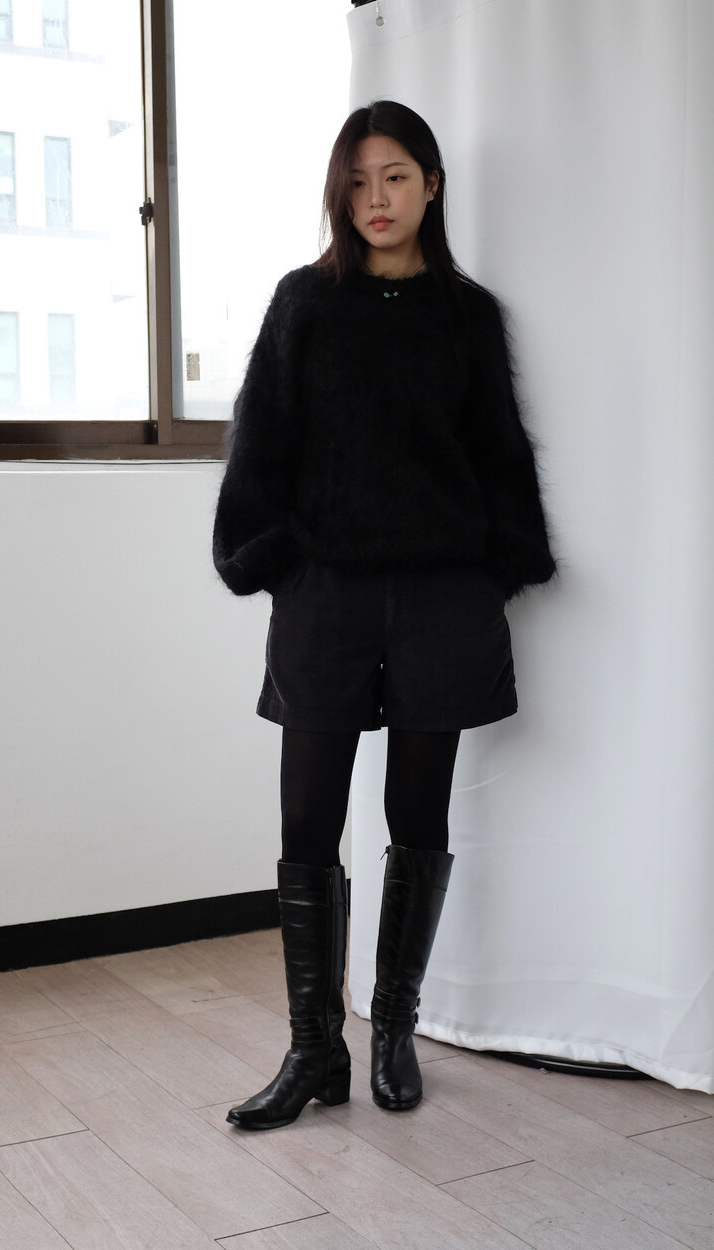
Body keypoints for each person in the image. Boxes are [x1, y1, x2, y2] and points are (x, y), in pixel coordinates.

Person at [213, 100, 556, 1131]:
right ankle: (313, 1048)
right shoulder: (303, 303)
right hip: (327, 593)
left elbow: (498, 450)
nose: (376, 198)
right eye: (358, 180)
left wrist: (497, 564)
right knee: (307, 817)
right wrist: (272, 558)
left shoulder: (466, 314)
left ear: (431, 185)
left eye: (396, 176)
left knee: (418, 812)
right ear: (338, 191)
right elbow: (260, 440)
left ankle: (392, 1032)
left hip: (440, 595)